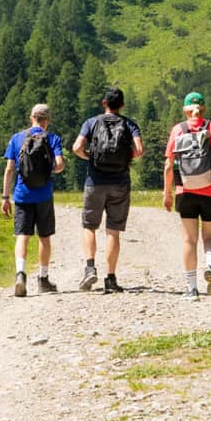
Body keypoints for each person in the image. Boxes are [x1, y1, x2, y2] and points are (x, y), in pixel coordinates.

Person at [162, 92, 211, 299]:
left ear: (185, 110)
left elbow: (169, 165)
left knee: (189, 239)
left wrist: (167, 193)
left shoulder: (178, 130)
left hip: (185, 191)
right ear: (203, 109)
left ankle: (191, 288)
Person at [72, 87, 143, 293]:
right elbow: (139, 150)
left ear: (104, 103)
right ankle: (110, 279)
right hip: (120, 181)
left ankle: (90, 268)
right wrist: (125, 158)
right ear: (121, 105)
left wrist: (90, 157)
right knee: (113, 230)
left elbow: (77, 147)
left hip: (95, 181)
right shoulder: (130, 124)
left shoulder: (91, 122)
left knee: (89, 226)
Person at [1, 104, 65, 297]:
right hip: (44, 195)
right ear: (47, 120)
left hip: (22, 195)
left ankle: (20, 274)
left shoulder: (17, 138)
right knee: (44, 238)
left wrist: (5, 197)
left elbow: (10, 169)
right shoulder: (52, 139)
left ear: (32, 118)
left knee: (22, 236)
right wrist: (48, 168)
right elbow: (60, 165)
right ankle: (43, 279)